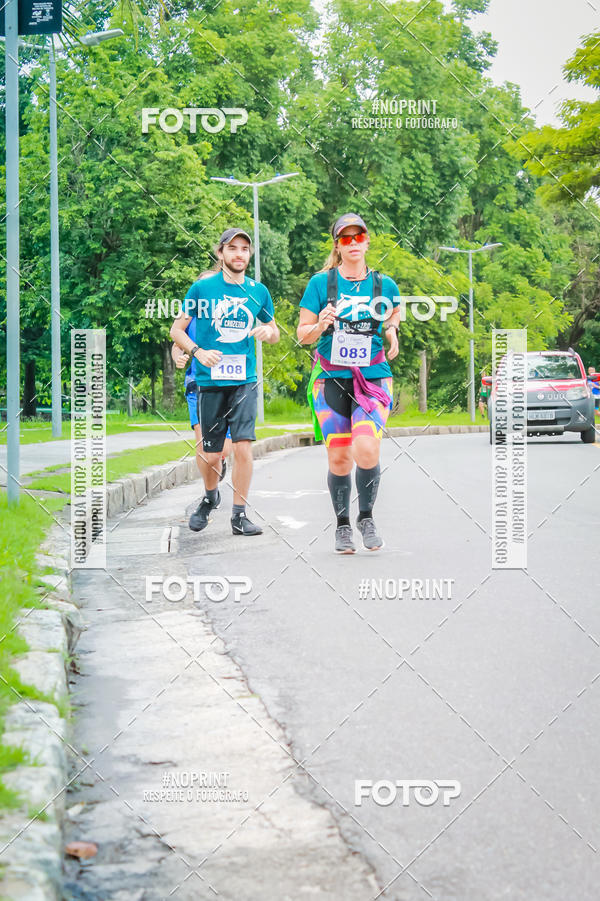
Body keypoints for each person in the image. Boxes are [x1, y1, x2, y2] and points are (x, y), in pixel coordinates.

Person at [297, 213, 400, 553]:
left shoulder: (384, 285)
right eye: (346, 238)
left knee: (366, 448)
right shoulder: (320, 284)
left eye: (359, 237)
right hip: (331, 378)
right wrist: (319, 325)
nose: (353, 243)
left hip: (373, 377)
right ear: (337, 246)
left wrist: (391, 330)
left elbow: (393, 312)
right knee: (340, 457)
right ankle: (342, 525)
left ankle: (366, 517)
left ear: (367, 241)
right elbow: (302, 335)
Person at [170, 228, 280, 535]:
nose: (239, 254)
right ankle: (210, 497)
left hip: (245, 379)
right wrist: (197, 352)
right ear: (220, 253)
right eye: (232, 248)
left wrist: (268, 332)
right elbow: (176, 330)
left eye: (244, 249)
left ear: (249, 254)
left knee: (243, 447)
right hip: (210, 380)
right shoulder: (202, 289)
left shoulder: (259, 291)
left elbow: (274, 333)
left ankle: (239, 515)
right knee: (211, 454)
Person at [171, 340, 231, 484]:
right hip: (196, 384)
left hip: (227, 382)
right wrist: (178, 357)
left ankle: (220, 459)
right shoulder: (187, 323)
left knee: (224, 450)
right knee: (202, 444)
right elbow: (177, 345)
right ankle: (210, 491)